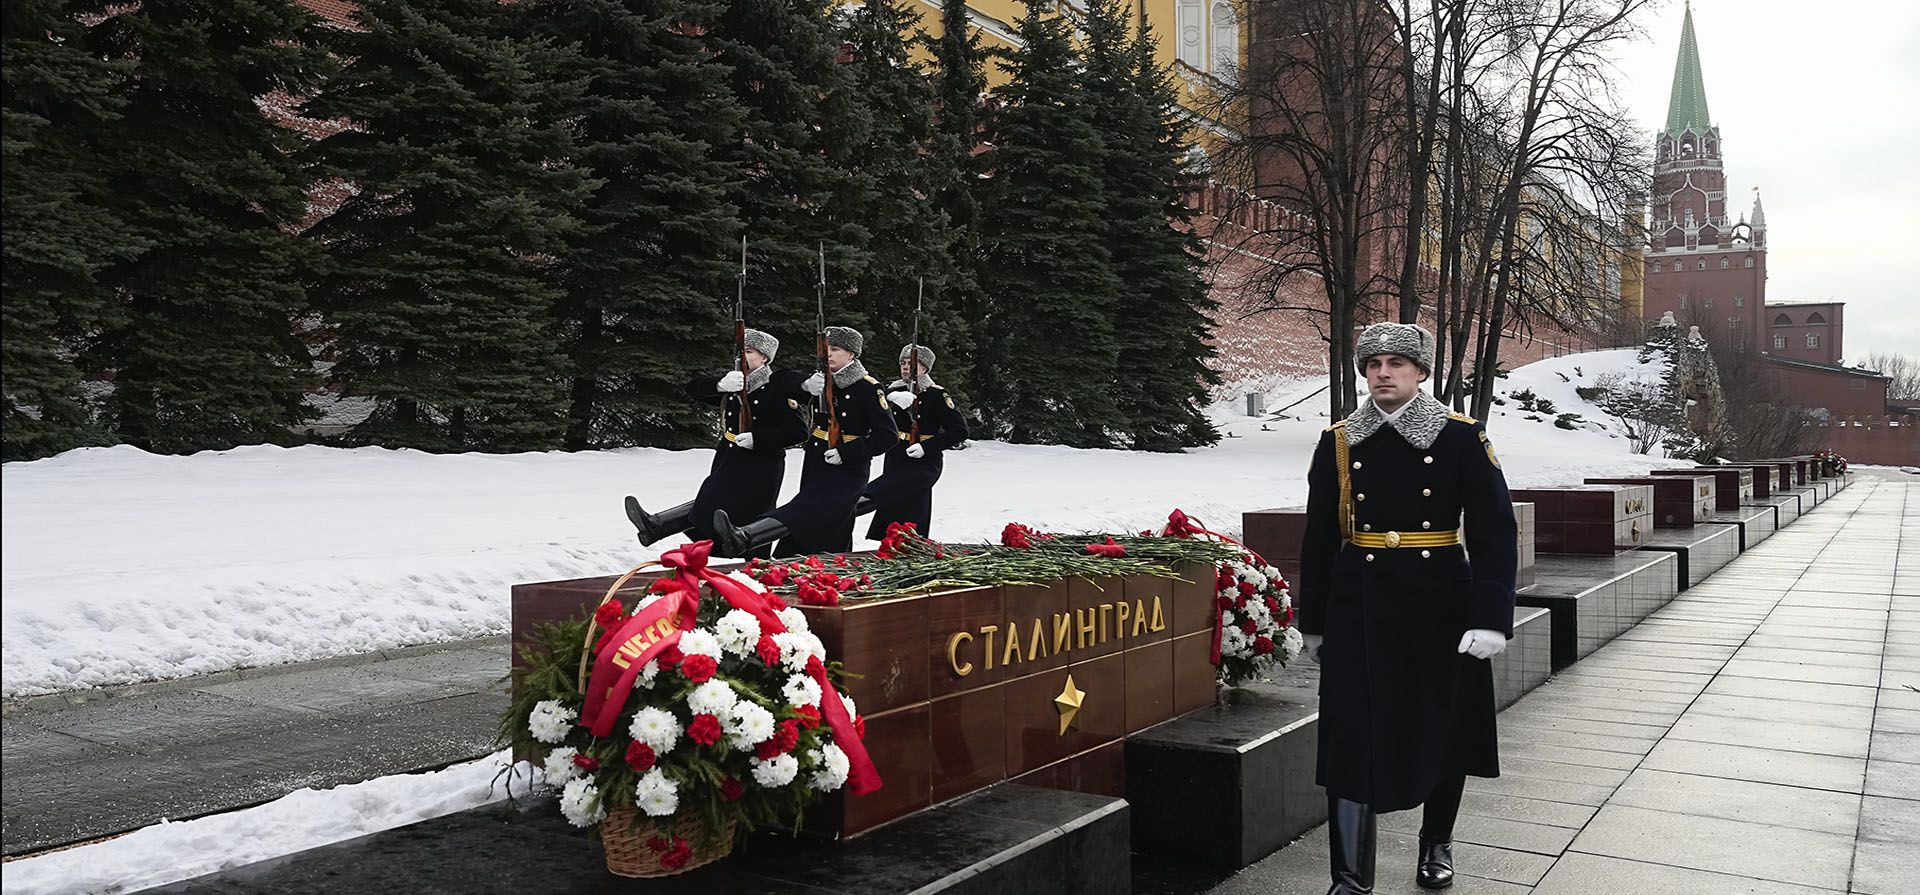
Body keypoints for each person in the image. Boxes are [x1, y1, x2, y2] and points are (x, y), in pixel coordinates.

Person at [1296, 322, 1518, 894]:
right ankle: (1350, 876)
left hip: (1438, 601)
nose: (1382, 373)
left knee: (1442, 726)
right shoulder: (1340, 441)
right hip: (1359, 602)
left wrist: (1491, 617)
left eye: (1397, 363)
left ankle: (1436, 843)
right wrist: (1314, 623)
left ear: (1420, 372)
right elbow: (1319, 537)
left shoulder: (1460, 438)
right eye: (1372, 364)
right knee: (1349, 732)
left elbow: (1495, 531)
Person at [623, 329, 807, 559]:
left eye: (749, 351)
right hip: (729, 456)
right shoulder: (735, 383)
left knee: (753, 513)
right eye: (740, 351)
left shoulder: (776, 388)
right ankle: (658, 527)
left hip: (762, 464)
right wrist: (720, 385)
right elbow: (693, 389)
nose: (743, 356)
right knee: (708, 505)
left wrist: (758, 439)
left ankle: (753, 562)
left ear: (764, 358)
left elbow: (798, 432)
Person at [714, 325, 897, 557]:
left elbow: (887, 436)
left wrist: (847, 452)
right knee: (832, 517)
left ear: (851, 354)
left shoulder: (867, 388)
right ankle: (821, 560)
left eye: (836, 349)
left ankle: (746, 536)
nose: (828, 354)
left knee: (809, 506)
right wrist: (806, 385)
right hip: (816, 459)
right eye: (826, 349)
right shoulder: (820, 382)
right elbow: (779, 380)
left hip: (848, 467)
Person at [858, 344, 969, 539]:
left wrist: (926, 447)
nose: (906, 366)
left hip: (924, 461)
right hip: (897, 455)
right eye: (903, 362)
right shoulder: (894, 390)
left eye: (912, 363)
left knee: (912, 506)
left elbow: (959, 431)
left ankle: (859, 500)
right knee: (893, 506)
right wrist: (892, 395)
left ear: (924, 368)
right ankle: (888, 546)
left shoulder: (936, 395)